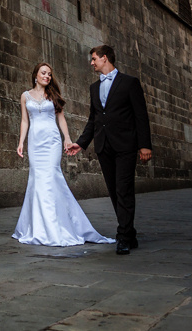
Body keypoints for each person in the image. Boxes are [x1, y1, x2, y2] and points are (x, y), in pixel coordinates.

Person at [12, 62, 115, 246]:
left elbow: (61, 118)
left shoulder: (53, 96)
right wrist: (21, 142)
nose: (47, 76)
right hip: (35, 143)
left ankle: (57, 225)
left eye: (49, 74)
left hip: (52, 141)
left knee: (51, 177)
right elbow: (24, 121)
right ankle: (38, 226)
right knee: (37, 180)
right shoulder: (25, 96)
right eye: (44, 73)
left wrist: (67, 138)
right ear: (36, 75)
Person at [65, 45, 152, 255]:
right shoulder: (94, 88)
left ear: (105, 58)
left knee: (124, 189)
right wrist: (82, 142)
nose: (92, 63)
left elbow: (141, 115)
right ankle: (129, 233)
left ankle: (122, 236)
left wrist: (145, 145)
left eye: (94, 59)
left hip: (125, 146)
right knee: (114, 191)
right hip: (104, 147)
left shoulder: (130, 83)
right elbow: (93, 119)